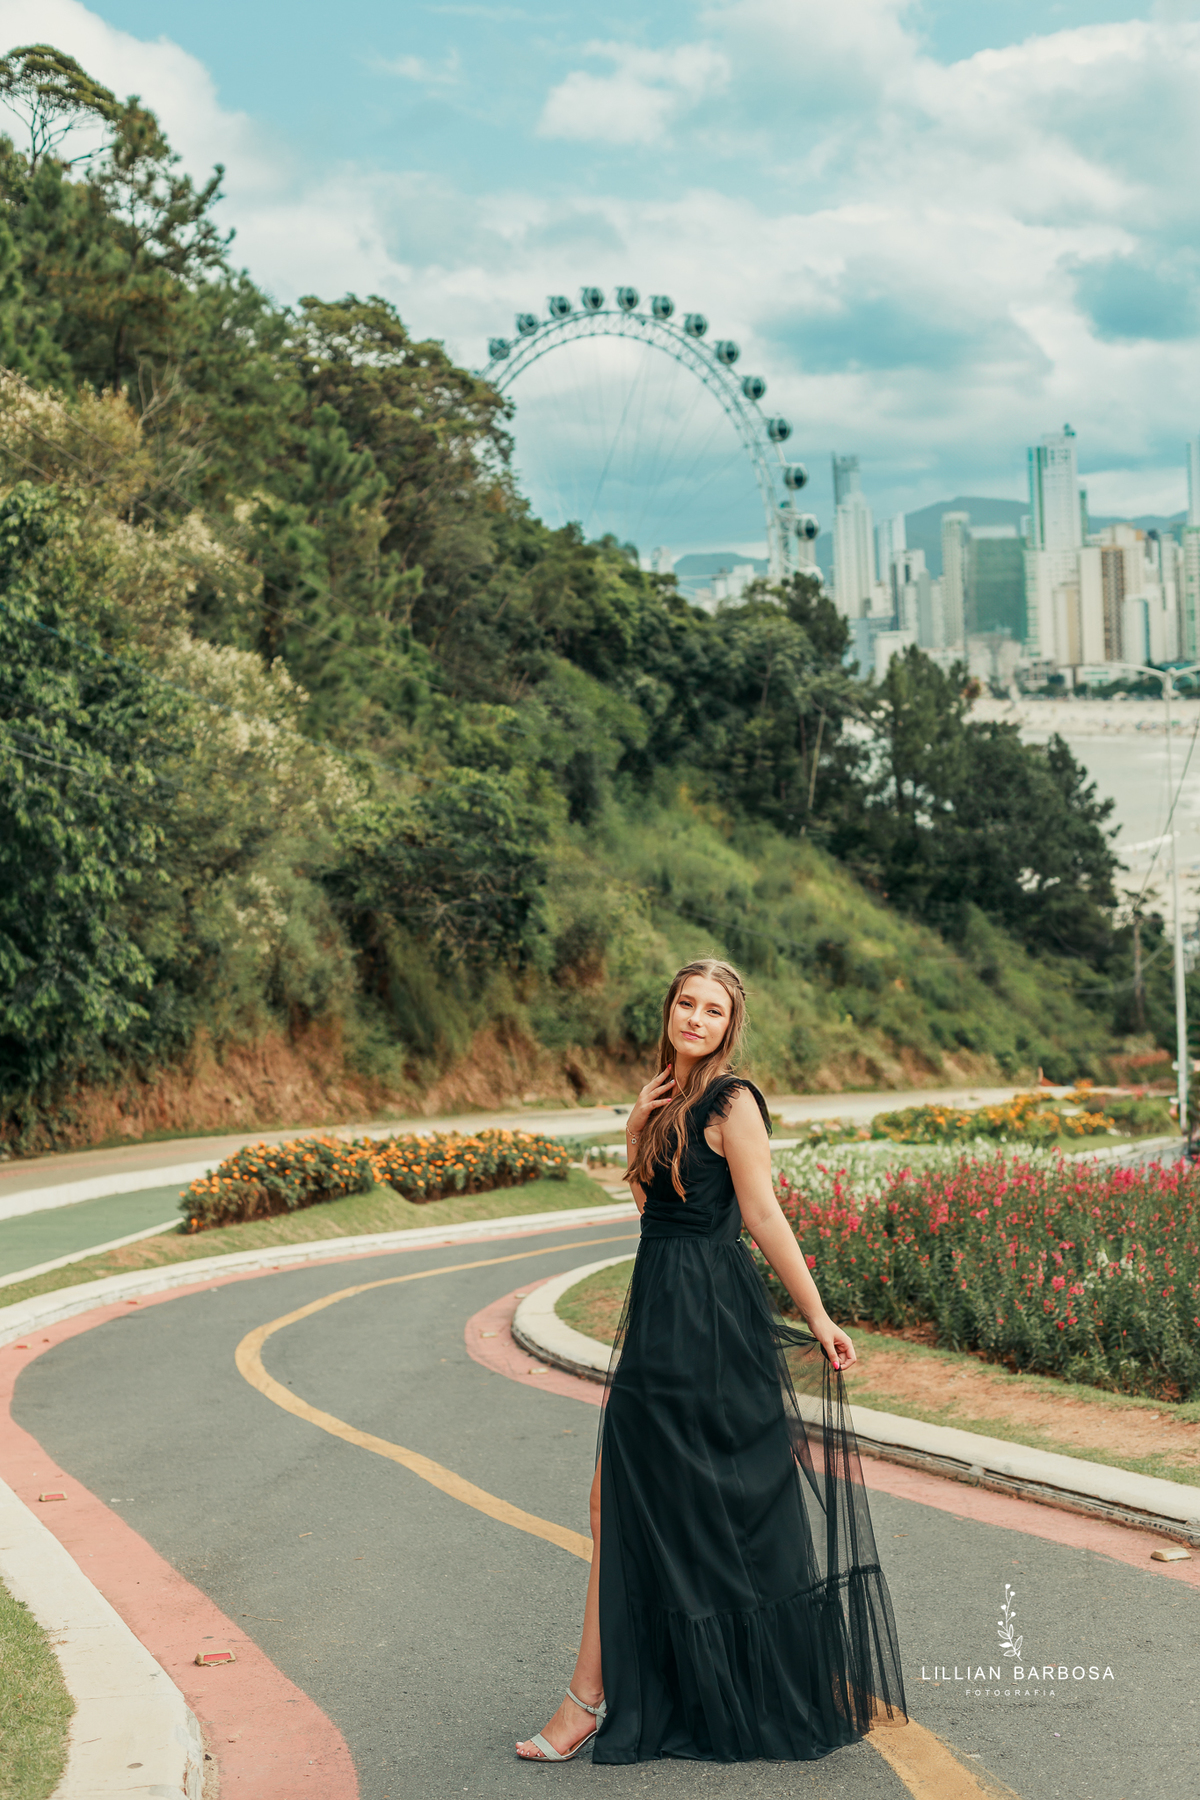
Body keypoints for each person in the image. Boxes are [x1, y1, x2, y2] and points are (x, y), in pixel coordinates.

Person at [516, 957, 906, 1765]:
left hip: (707, 1322)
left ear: (731, 1028)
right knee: (622, 1501)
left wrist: (818, 1314)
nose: (696, 1019)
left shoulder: (732, 1102)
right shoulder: (664, 1100)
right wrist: (632, 1134)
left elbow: (762, 1213)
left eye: (714, 1011)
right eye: (686, 1004)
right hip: (659, 1310)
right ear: (668, 1010)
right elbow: (656, 1217)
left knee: (678, 1503)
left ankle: (591, 1698)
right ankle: (603, 1694)